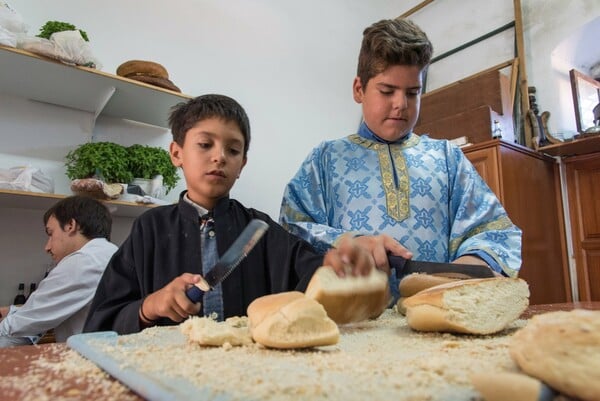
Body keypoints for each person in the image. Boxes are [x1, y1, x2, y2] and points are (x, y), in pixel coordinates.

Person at [84, 94, 374, 335]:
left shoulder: (259, 229)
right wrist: (150, 307)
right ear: (176, 153)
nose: (219, 156)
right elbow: (101, 322)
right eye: (205, 144)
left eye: (233, 149)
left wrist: (338, 264)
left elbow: (312, 273)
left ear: (242, 163)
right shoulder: (150, 229)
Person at [279, 18, 522, 300]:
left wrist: (472, 265)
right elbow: (291, 230)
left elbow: (493, 230)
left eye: (412, 93)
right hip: (354, 323)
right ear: (359, 89)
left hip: (435, 318)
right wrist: (350, 243)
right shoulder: (325, 159)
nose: (400, 104)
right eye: (387, 91)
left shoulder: (447, 158)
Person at [0, 195, 117, 347]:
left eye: (51, 233)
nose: (47, 247)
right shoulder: (107, 253)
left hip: (90, 359)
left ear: (70, 225)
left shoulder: (84, 261)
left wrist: (12, 319)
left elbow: (22, 324)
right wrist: (12, 311)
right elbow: (53, 307)